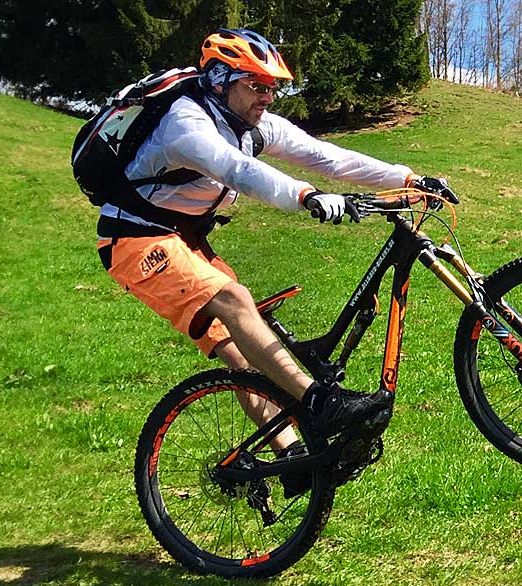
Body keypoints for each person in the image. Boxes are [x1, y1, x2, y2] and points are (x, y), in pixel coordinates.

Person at [95, 29, 445, 490]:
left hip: (186, 239)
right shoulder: (185, 122)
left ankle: (293, 458)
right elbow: (237, 170)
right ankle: (320, 403)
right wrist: (306, 196)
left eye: (272, 87)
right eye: (256, 85)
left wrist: (410, 177)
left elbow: (328, 157)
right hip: (133, 239)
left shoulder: (255, 125)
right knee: (234, 300)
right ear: (221, 79)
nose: (268, 95)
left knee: (244, 354)